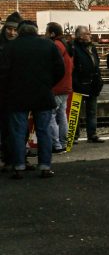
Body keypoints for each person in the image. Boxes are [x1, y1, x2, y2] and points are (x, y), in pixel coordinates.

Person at [0, 21, 64, 178]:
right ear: (36, 31)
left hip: (17, 96)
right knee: (44, 131)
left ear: (20, 32)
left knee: (18, 132)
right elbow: (60, 69)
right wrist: (48, 84)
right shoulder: (48, 45)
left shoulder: (10, 47)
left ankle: (19, 166)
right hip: (42, 94)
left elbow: (2, 73)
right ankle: (45, 166)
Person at [70, 26, 105, 143]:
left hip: (92, 84)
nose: (90, 35)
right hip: (79, 84)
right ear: (80, 36)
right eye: (88, 34)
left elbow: (96, 64)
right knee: (76, 111)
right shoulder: (73, 48)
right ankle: (74, 136)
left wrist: (99, 79)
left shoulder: (92, 47)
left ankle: (92, 134)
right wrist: (75, 82)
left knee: (92, 111)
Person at [45, 23, 73, 153]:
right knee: (61, 115)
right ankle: (63, 143)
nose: (45, 34)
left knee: (51, 115)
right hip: (66, 85)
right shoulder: (66, 44)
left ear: (52, 33)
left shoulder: (56, 45)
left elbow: (51, 66)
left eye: (46, 32)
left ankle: (56, 145)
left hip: (57, 87)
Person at [0, 12, 20, 171]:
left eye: (15, 30)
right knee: (6, 128)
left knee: (18, 128)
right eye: (9, 29)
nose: (12, 33)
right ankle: (8, 158)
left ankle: (15, 158)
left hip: (16, 93)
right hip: (3, 92)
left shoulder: (21, 46)